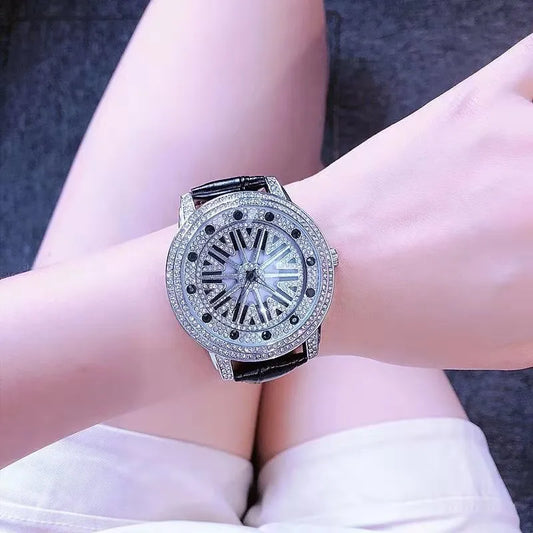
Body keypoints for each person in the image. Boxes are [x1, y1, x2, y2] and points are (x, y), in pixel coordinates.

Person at [0, 1, 531, 531]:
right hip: (412, 511)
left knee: (246, 23)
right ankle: (315, 182)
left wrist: (326, 229)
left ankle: (310, 185)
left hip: (55, 475)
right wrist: (340, 254)